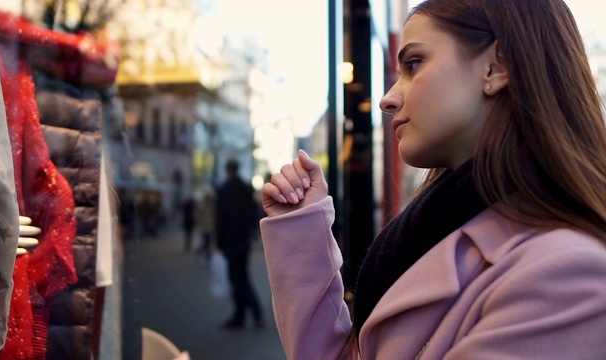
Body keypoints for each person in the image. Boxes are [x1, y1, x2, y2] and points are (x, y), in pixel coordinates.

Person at [259, 0, 606, 358]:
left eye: (413, 64)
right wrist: (300, 226)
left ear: (496, 67)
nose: (388, 99)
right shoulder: (436, 230)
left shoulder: (566, 273)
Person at [216, 159, 264, 330]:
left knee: (237, 279)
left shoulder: (225, 189)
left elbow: (221, 218)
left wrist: (219, 242)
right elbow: (253, 215)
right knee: (242, 277)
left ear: (227, 170)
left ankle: (241, 315)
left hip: (231, 241)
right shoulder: (245, 188)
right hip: (243, 241)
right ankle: (251, 312)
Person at [194, 187, 216, 262]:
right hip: (205, 227)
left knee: (208, 242)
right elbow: (197, 215)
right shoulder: (202, 205)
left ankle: (207, 255)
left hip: (210, 227)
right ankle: (200, 253)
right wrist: (202, 222)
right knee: (206, 242)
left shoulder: (212, 205)